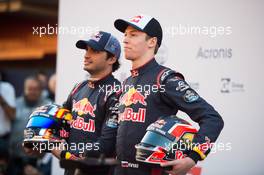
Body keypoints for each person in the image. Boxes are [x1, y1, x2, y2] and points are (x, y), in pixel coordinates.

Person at [111, 14, 224, 175]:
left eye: (133, 35)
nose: (125, 40)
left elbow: (213, 119)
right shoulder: (127, 82)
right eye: (125, 35)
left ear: (152, 42)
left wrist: (192, 157)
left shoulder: (165, 79)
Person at [47, 31, 121, 175]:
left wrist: (65, 154)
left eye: (94, 51)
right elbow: (59, 122)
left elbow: (105, 146)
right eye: (86, 50)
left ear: (111, 58)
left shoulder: (117, 92)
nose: (86, 55)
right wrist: (39, 140)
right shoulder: (78, 88)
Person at [9, 76, 51, 175]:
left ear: (41, 90)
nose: (32, 92)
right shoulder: (15, 104)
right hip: (15, 158)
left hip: (37, 159)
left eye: (35, 89)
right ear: (24, 89)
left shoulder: (48, 106)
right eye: (30, 89)